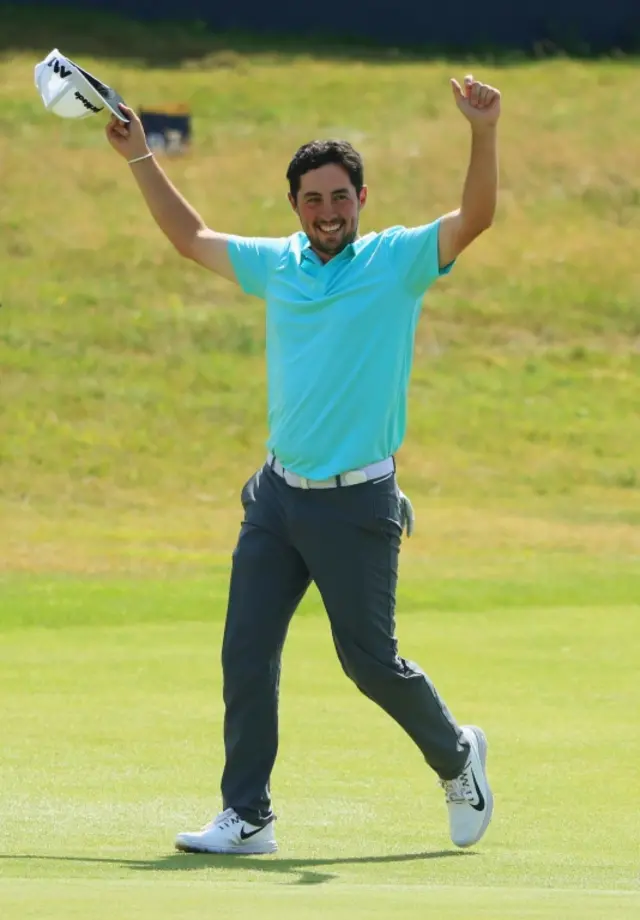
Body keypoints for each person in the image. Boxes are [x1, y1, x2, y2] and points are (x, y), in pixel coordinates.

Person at [107, 72, 500, 855]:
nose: (327, 212)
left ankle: (458, 757)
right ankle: (246, 815)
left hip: (357, 504)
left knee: (370, 663)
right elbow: (192, 239)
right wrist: (139, 156)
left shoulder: (398, 260)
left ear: (362, 198)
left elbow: (477, 217)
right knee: (246, 651)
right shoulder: (279, 264)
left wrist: (483, 133)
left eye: (340, 197)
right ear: (295, 206)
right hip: (277, 496)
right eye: (313, 199)